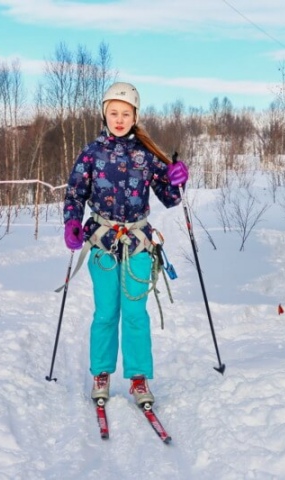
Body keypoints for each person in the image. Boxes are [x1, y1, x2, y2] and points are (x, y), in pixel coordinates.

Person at [62, 81, 189, 407]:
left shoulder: (146, 155)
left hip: (138, 243)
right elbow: (75, 193)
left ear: (135, 116)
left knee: (135, 313)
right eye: (113, 113)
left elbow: (171, 198)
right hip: (102, 243)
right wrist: (72, 223)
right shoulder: (91, 153)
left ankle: (138, 379)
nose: (119, 119)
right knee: (106, 312)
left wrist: (178, 178)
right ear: (105, 114)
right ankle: (101, 374)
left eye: (125, 113)